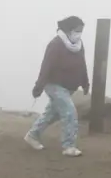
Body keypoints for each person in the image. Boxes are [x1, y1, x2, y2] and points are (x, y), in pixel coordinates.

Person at [24, 16, 90, 157]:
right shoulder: (56, 44)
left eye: (81, 31)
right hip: (54, 85)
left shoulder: (79, 44)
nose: (79, 33)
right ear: (69, 29)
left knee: (51, 114)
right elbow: (46, 66)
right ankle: (69, 146)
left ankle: (32, 135)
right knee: (70, 112)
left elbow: (82, 64)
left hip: (70, 87)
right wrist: (39, 87)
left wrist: (85, 83)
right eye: (77, 30)